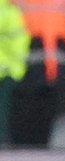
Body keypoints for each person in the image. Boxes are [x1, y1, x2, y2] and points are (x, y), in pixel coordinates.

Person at [8, 0, 65, 147]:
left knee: (44, 114)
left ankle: (38, 152)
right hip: (20, 59)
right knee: (21, 114)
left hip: (53, 61)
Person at [0, 0, 29, 146]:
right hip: (8, 70)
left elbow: (18, 40)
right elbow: (20, 41)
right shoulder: (10, 10)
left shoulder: (10, 10)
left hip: (6, 71)